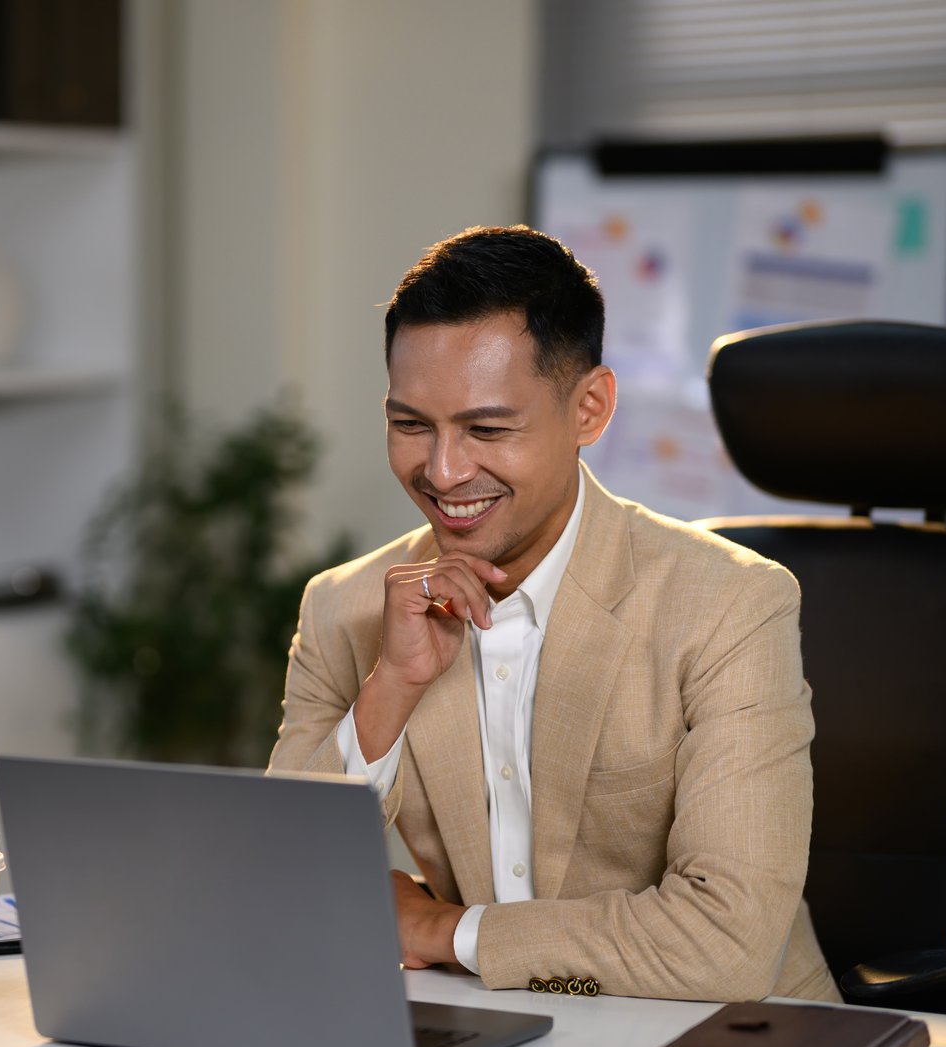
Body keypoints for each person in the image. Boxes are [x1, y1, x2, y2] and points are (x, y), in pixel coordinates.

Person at [267, 226, 839, 1003]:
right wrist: (392, 686)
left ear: (590, 408)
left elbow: (726, 943)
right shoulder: (345, 607)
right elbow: (277, 890)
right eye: (411, 426)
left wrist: (445, 932)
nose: (442, 471)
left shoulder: (730, 604)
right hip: (498, 1039)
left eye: (486, 429)